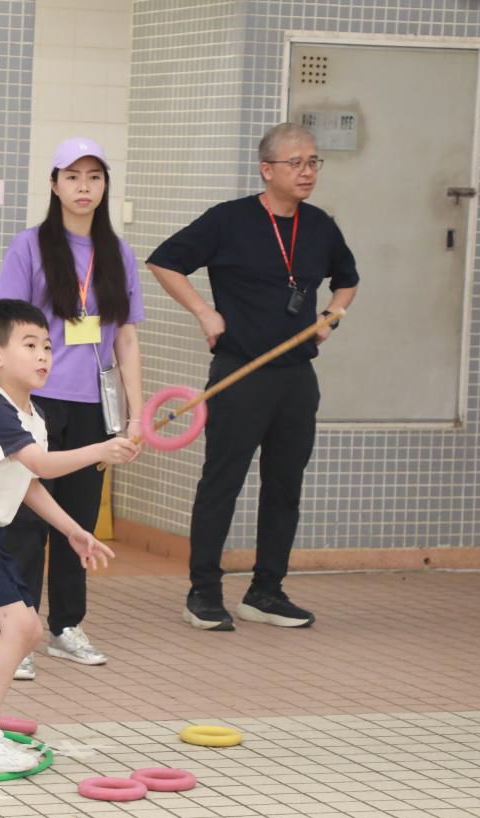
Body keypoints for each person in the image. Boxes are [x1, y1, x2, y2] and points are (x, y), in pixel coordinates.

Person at [146, 122, 359, 632]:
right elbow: (164, 262)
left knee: (285, 485)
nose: (307, 172)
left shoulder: (320, 226)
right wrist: (205, 313)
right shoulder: (229, 220)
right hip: (240, 372)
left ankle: (266, 590)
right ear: (267, 170)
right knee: (222, 482)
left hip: (296, 376)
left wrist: (331, 317)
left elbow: (347, 280)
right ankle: (203, 592)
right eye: (296, 163)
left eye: (313, 162)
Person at [0, 299, 139, 772]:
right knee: (21, 628)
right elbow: (41, 465)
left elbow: (30, 483)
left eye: (48, 347)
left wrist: (73, 530)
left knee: (27, 629)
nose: (43, 356)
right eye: (31, 345)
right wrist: (100, 448)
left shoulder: (32, 416)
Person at [0, 137, 145, 680]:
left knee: (78, 520)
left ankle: (66, 626)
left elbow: (125, 337)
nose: (84, 187)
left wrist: (136, 412)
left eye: (95, 177)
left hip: (93, 407)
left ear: (105, 187)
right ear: (54, 184)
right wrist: (12, 400)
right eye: (73, 176)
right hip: (37, 402)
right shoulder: (30, 247)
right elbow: (8, 327)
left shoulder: (118, 254)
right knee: (27, 518)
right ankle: (20, 633)